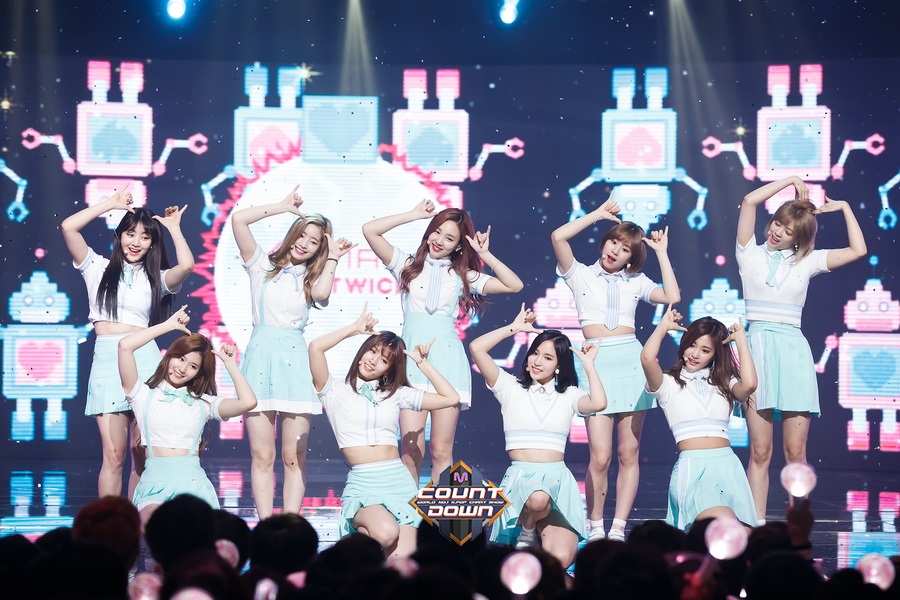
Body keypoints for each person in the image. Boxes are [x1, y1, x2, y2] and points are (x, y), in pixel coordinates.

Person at [362, 200, 523, 483]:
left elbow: (514, 285)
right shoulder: (407, 265)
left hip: (447, 363)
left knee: (441, 450)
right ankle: (407, 509)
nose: (439, 241)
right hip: (410, 362)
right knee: (411, 450)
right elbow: (370, 230)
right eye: (437, 232)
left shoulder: (463, 276)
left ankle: (438, 512)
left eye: (449, 238)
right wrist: (413, 214)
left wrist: (485, 254)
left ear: (459, 245)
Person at [550, 193, 680, 541]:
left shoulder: (637, 281)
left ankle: (619, 526)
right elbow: (558, 237)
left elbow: (672, 297)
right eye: (613, 243)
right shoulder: (579, 274)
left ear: (632, 258)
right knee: (600, 455)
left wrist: (662, 253)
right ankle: (596, 525)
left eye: (624, 249)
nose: (614, 251)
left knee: (628, 452)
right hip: (596, 364)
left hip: (631, 363)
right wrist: (597, 213)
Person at [736, 176, 866, 521]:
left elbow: (858, 251)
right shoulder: (749, 254)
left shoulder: (806, 261)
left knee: (796, 451)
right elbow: (749, 201)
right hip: (757, 351)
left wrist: (845, 208)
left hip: (793, 351)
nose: (777, 232)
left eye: (788, 230)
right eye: (777, 223)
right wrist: (790, 181)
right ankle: (755, 526)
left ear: (800, 238)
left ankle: (798, 525)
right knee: (760, 451)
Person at [61, 186, 194, 498]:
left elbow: (187, 266)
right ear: (119, 235)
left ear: (152, 243)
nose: (136, 242)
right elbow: (68, 227)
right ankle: (110, 522)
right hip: (108, 362)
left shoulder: (156, 278)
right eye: (130, 234)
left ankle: (139, 518)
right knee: (113, 455)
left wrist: (174, 229)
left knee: (142, 454)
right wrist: (111, 203)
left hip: (144, 360)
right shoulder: (96, 267)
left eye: (145, 237)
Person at [231, 184, 355, 519]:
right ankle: (265, 525)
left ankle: (290, 525)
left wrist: (332, 257)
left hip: (295, 364)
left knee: (293, 455)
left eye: (314, 242)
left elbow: (324, 295)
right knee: (262, 455)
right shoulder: (261, 264)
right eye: (302, 235)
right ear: (292, 233)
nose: (305, 244)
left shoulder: (311, 279)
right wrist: (283, 206)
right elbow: (239, 220)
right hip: (259, 359)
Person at [308, 304, 460, 558]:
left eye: (384, 360)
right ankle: (357, 541)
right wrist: (355, 329)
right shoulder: (333, 390)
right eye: (372, 351)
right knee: (387, 533)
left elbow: (450, 398)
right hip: (364, 485)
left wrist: (423, 365)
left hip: (399, 483)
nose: (373, 361)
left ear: (390, 368)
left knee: (404, 561)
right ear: (362, 352)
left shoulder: (396, 394)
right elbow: (315, 347)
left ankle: (363, 549)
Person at [469, 304, 608, 568]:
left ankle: (533, 533)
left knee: (559, 561)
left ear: (559, 366)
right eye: (535, 353)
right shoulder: (510, 387)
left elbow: (599, 403)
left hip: (558, 484)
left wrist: (589, 365)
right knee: (537, 498)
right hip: (522, 482)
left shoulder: (569, 395)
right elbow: (477, 348)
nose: (537, 361)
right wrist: (514, 328)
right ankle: (527, 529)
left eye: (547, 357)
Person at [117, 305, 258, 524]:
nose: (182, 369)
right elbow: (124, 346)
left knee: (195, 535)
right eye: (180, 359)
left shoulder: (204, 403)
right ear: (170, 356)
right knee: (154, 528)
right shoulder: (143, 395)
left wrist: (231, 365)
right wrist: (167, 326)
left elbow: (248, 402)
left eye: (192, 366)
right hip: (154, 485)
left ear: (198, 373)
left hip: (194, 484)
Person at [640, 306, 758, 531]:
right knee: (720, 527)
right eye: (691, 345)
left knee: (740, 538)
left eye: (705, 350)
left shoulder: (725, 381)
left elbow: (750, 385)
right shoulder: (667, 383)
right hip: (693, 470)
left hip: (728, 468)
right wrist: (663, 326)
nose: (695, 354)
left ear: (715, 354)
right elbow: (646, 358)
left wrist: (741, 341)